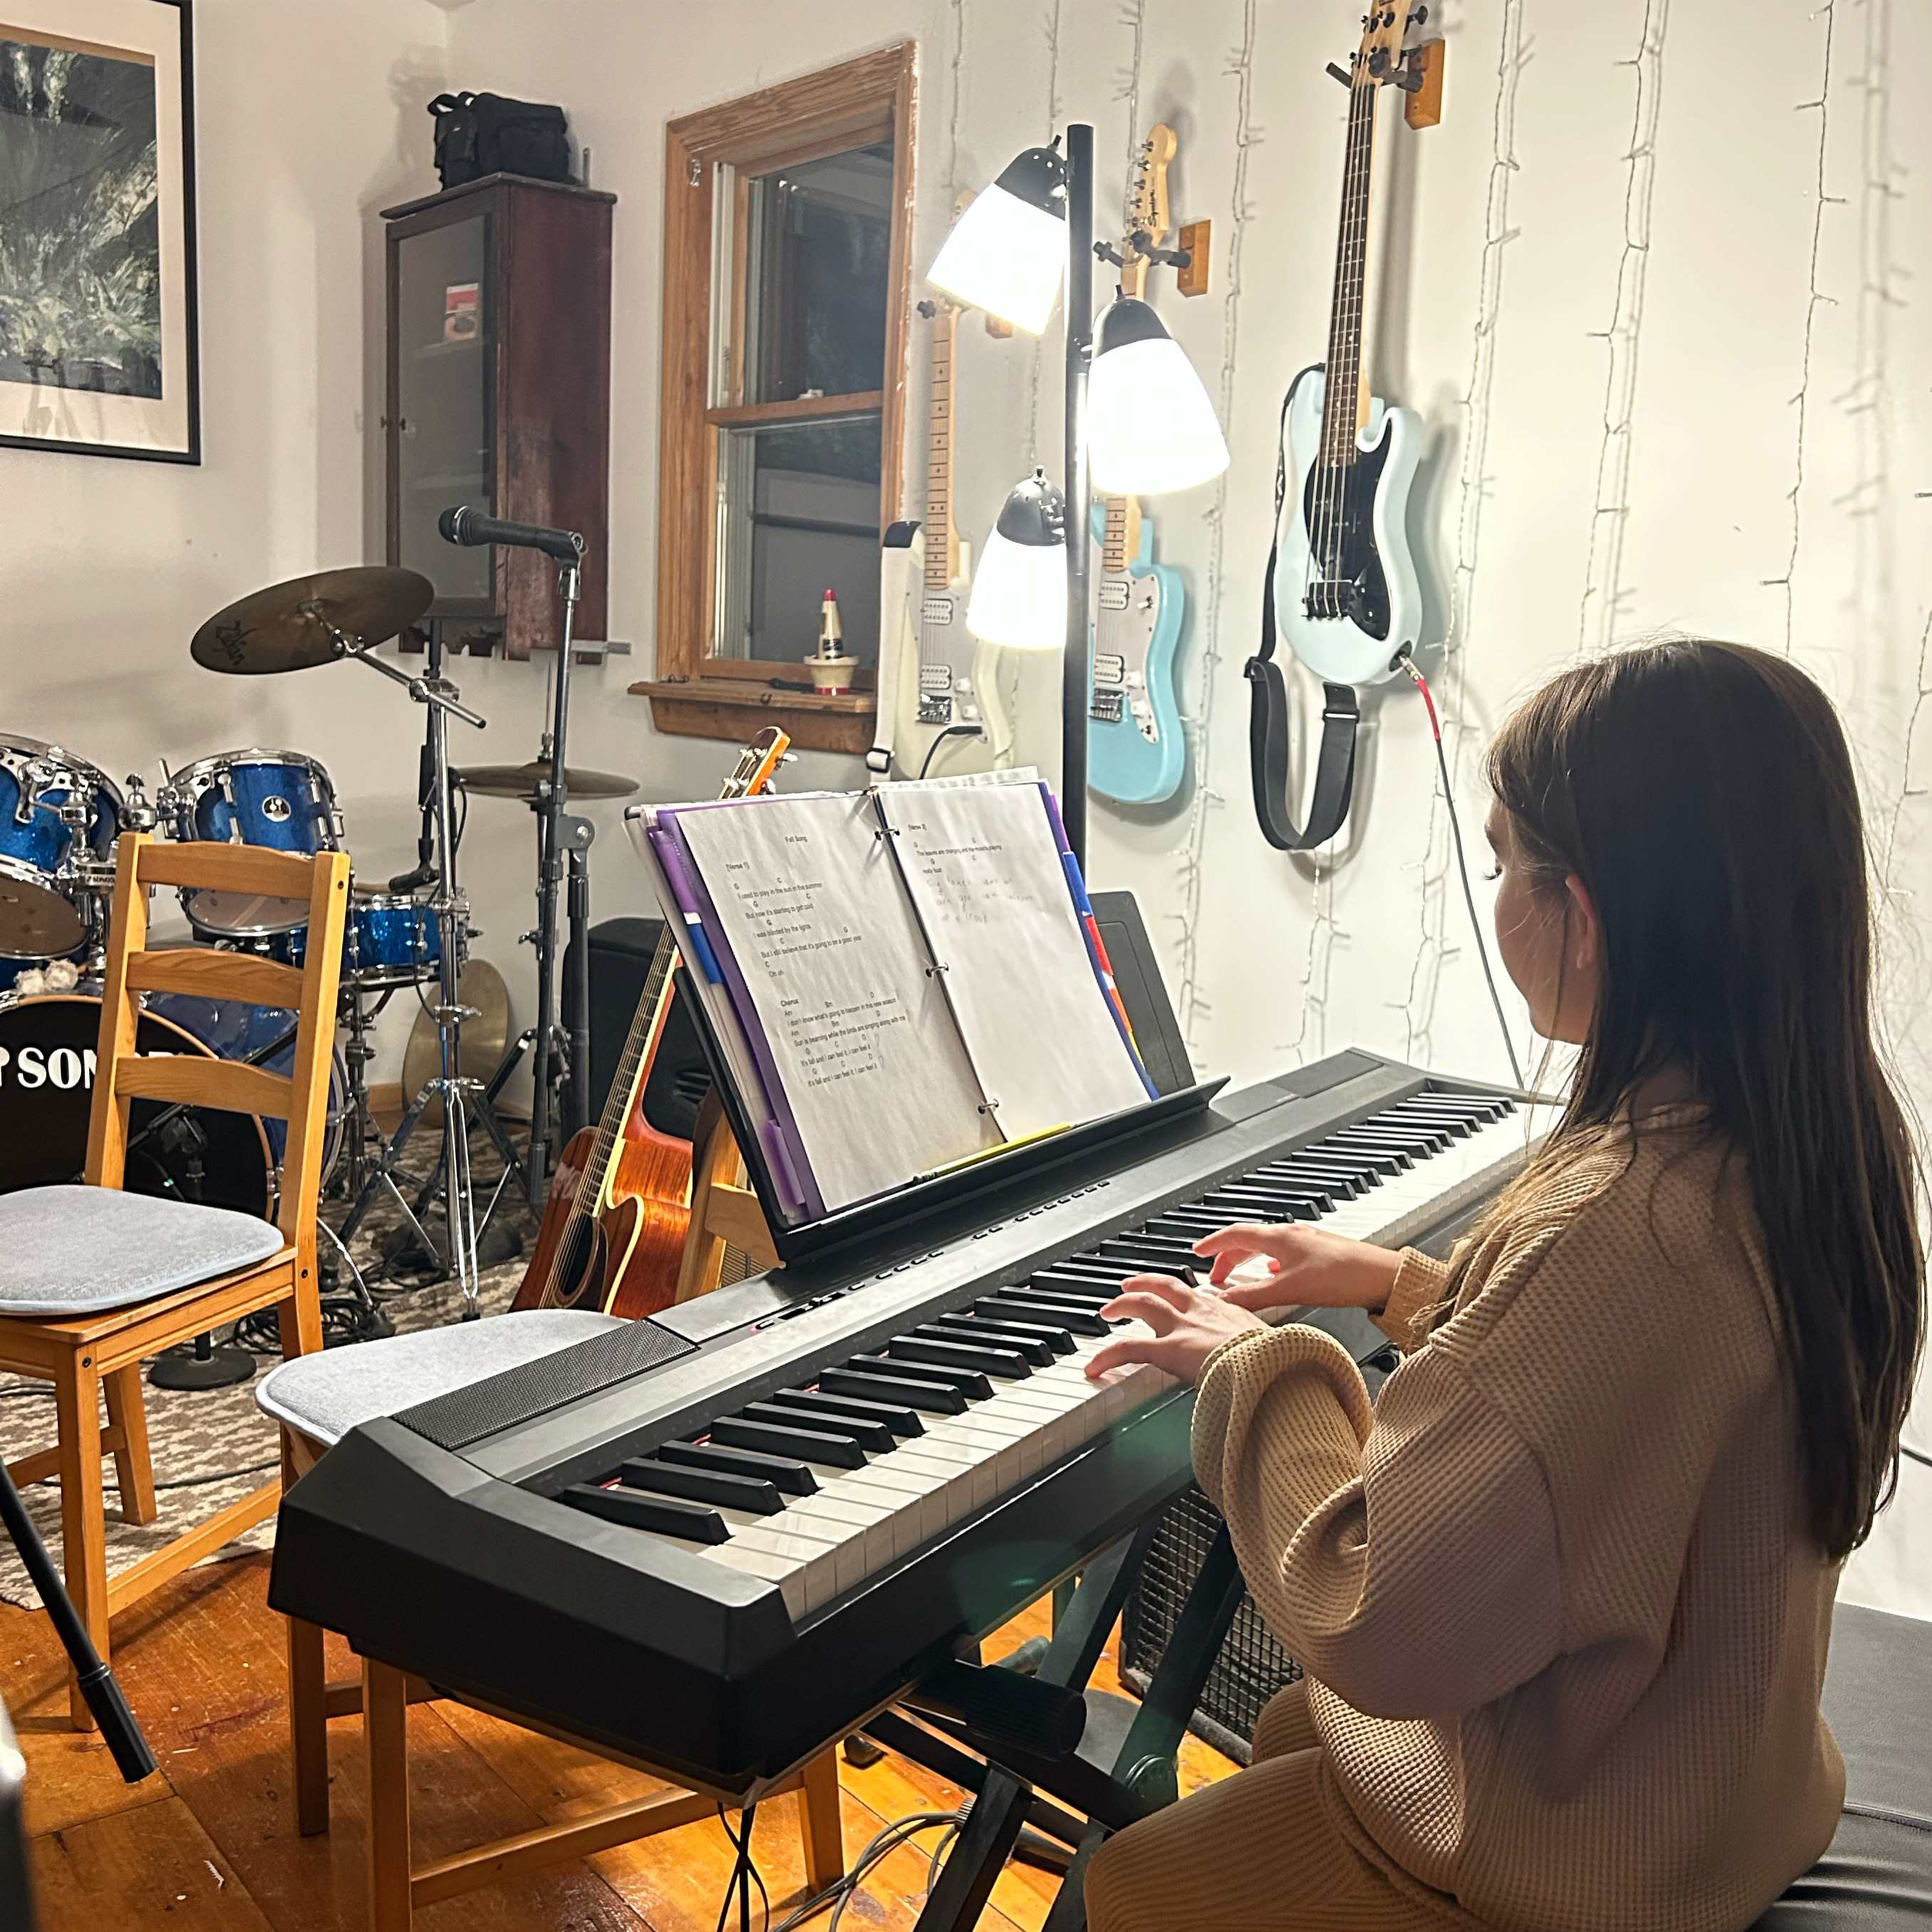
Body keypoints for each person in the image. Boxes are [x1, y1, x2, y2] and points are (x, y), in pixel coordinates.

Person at [1081, 641, 1924, 1932]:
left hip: (1573, 1862)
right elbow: (1630, 1392)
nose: (1492, 900)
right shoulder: (1814, 1142)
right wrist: (1400, 1283)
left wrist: (1250, 1367)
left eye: (1497, 862)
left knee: (1117, 1889)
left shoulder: (1620, 1228)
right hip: (1727, 1789)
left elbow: (1370, 1611)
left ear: (1584, 914)